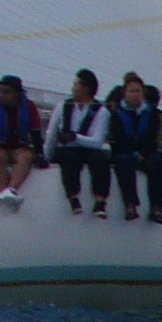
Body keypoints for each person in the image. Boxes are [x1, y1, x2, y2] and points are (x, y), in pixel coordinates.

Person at [45, 67, 112, 215]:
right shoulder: (63, 106)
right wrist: (47, 157)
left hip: (89, 150)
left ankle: (100, 201)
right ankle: (73, 197)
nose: (72, 88)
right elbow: (52, 134)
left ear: (86, 88)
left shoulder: (101, 111)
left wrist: (75, 137)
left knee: (100, 159)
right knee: (68, 156)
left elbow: (97, 142)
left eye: (76, 85)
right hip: (68, 149)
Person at [108, 74, 162, 224]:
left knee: (156, 162)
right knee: (123, 162)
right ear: (125, 93)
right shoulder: (117, 114)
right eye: (131, 91)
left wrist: (142, 153)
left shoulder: (151, 113)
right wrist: (134, 153)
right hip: (125, 151)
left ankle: (157, 207)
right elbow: (118, 139)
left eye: (138, 91)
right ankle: (130, 205)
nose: (135, 95)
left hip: (146, 151)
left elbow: (151, 137)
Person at [0, 74, 43, 205]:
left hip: (19, 147)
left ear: (17, 93)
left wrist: (40, 154)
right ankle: (4, 191)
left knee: (25, 157)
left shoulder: (29, 106)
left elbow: (35, 133)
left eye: (6, 92)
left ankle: (12, 189)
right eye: (0, 90)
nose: (1, 94)